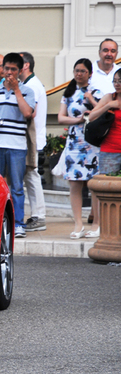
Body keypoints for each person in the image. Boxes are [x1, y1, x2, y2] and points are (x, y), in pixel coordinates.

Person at [0, 53, 36, 239]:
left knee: (16, 186)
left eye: (14, 69)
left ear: (20, 70)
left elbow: (27, 112)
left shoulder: (27, 91)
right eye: (7, 68)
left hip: (17, 144)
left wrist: (16, 90)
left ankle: (18, 224)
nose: (9, 72)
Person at [58, 59, 102, 239]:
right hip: (74, 143)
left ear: (90, 73)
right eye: (76, 70)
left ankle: (97, 223)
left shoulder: (96, 92)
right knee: (74, 184)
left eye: (83, 71)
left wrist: (91, 100)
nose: (79, 74)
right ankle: (78, 223)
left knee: (94, 185)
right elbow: (61, 118)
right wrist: (77, 120)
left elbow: (103, 112)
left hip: (92, 143)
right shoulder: (68, 93)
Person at [20, 52, 48, 232]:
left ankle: (39, 216)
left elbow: (31, 112)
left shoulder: (32, 86)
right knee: (30, 176)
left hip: (33, 139)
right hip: (32, 139)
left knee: (32, 176)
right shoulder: (30, 83)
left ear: (26, 65)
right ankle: (37, 215)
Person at [88, 68, 121, 205]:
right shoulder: (110, 97)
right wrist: (108, 106)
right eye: (115, 81)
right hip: (110, 150)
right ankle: (106, 224)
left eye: (120, 81)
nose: (117, 84)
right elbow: (91, 117)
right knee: (107, 189)